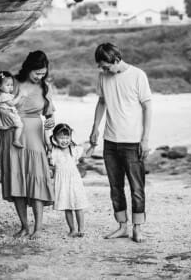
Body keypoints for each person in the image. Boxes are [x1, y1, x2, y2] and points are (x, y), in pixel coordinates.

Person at [0, 50, 55, 239]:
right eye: (37, 73)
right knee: (16, 180)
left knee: (36, 179)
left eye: (43, 73)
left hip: (35, 134)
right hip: (12, 135)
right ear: (28, 68)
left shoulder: (45, 87)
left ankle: (38, 228)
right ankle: (24, 226)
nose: (40, 76)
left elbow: (49, 113)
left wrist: (51, 122)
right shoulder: (13, 82)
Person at [89, 42, 152, 243]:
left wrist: (145, 139)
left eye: (106, 66)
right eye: (101, 67)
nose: (103, 70)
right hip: (110, 141)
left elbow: (147, 107)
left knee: (136, 188)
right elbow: (101, 102)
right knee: (115, 187)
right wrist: (94, 128)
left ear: (116, 59)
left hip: (133, 142)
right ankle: (122, 226)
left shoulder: (138, 75)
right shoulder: (103, 77)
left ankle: (138, 228)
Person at [50, 123, 89, 237]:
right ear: (55, 138)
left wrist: (93, 145)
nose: (64, 140)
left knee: (78, 206)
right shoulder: (54, 151)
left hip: (75, 181)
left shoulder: (74, 149)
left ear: (71, 138)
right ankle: (72, 229)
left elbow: (86, 154)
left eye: (67, 137)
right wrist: (46, 130)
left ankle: (81, 229)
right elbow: (47, 143)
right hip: (62, 183)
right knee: (67, 207)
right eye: (61, 138)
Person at [0, 71, 24, 148]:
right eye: (8, 85)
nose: (11, 87)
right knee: (20, 125)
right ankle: (16, 140)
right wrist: (19, 96)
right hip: (9, 115)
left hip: (5, 116)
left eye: (11, 85)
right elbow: (12, 103)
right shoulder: (4, 95)